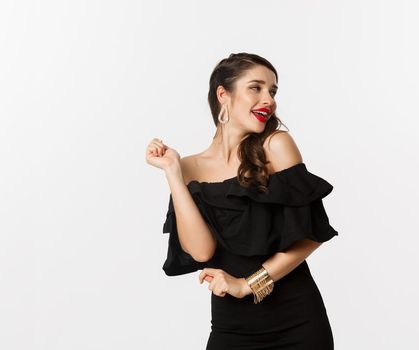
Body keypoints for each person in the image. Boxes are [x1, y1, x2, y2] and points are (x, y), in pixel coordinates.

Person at [144, 53, 338, 349]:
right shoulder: (188, 167)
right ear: (224, 94)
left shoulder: (276, 146)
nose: (268, 99)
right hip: (230, 328)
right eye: (256, 88)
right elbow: (201, 251)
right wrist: (172, 172)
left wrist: (248, 284)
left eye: (272, 91)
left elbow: (311, 235)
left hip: (297, 323)